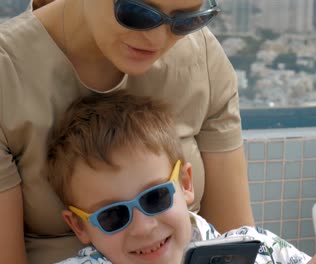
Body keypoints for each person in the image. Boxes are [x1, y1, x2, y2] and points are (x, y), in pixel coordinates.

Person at [0, 0, 254, 263]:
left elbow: (237, 243)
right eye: (136, 12)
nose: (157, 39)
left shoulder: (201, 57)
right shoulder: (7, 75)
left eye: (187, 20)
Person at [47, 91, 316, 264]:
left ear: (186, 185)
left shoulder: (256, 248)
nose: (143, 227)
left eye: (155, 197)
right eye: (112, 215)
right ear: (79, 226)